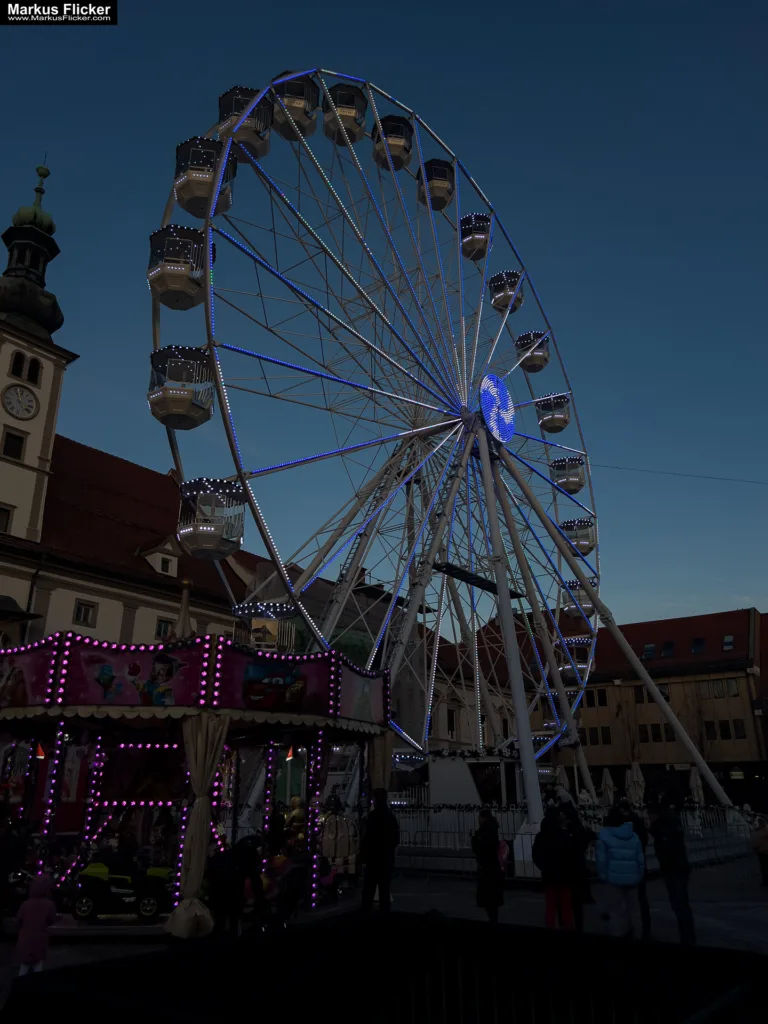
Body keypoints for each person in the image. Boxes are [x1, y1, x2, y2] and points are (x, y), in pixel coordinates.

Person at [648, 801, 696, 945]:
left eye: (649, 815)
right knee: (682, 904)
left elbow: (667, 851)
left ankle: (687, 938)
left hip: (673, 870)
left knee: (679, 905)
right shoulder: (673, 823)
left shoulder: (663, 829)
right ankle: (688, 936)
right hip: (679, 868)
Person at [595, 806, 645, 938]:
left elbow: (601, 860)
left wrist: (603, 875)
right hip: (633, 878)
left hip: (613, 878)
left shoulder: (604, 835)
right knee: (634, 911)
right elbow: (640, 859)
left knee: (615, 912)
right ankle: (638, 936)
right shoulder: (633, 835)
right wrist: (639, 874)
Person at [532, 807, 581, 929]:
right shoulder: (564, 836)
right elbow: (571, 855)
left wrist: (543, 866)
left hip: (549, 876)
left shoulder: (541, 836)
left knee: (550, 907)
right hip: (564, 876)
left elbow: (536, 855)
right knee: (566, 908)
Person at [360, 789, 399, 914]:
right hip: (386, 859)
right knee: (384, 891)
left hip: (373, 859)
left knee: (368, 891)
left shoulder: (372, 817)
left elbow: (367, 839)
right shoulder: (391, 817)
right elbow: (395, 839)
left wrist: (364, 855)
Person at [618, 798, 651, 940]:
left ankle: (630, 926)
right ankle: (645, 925)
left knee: (629, 897)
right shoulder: (638, 822)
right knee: (641, 898)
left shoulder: (623, 825)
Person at [558, 800, 593, 932]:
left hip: (572, 869)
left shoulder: (573, 829)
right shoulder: (573, 827)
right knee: (571, 902)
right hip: (573, 869)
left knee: (572, 901)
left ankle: (573, 925)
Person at [15, 873, 57, 976]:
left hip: (25, 939)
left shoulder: (25, 904)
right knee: (38, 967)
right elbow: (51, 920)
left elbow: (18, 921)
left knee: (24, 968)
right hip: (40, 940)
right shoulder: (50, 905)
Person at [471, 809, 504, 924]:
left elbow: (478, 849)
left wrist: (474, 838)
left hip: (486, 869)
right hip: (493, 868)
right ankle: (493, 919)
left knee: (488, 898)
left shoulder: (483, 833)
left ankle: (492, 920)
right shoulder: (492, 830)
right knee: (492, 900)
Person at [206, 841, 244, 936]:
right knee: (231, 917)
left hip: (221, 892)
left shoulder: (217, 860)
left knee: (222, 916)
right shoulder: (233, 862)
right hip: (229, 893)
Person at [751, 816, 768, 886]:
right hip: (761, 851)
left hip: (764, 851)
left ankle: (765, 881)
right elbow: (755, 841)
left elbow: (756, 841)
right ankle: (765, 881)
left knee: (764, 867)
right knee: (763, 867)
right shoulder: (759, 831)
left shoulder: (765, 830)